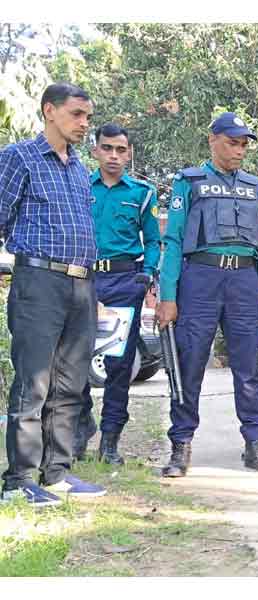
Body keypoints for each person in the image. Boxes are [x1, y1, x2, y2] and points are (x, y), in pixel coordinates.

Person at [156, 112, 258, 477]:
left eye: (243, 145)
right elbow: (173, 239)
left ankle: (255, 444)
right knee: (190, 361)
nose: (239, 151)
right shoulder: (189, 182)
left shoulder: (257, 188)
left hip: (244, 280)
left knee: (249, 366)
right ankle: (181, 445)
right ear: (212, 140)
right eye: (232, 143)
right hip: (200, 278)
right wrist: (168, 295)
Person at [0, 83, 105, 506]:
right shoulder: (19, 157)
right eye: (77, 114)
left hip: (82, 284)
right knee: (34, 381)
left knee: (71, 384)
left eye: (88, 117)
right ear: (49, 111)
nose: (84, 124)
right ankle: (19, 480)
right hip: (39, 281)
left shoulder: (79, 168)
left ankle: (57, 472)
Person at [73, 123, 161, 465]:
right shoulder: (79, 185)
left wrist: (146, 274)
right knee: (74, 360)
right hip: (83, 281)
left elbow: (153, 240)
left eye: (120, 150)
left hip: (125, 284)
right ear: (95, 150)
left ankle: (110, 440)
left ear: (129, 154)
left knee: (119, 366)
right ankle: (82, 426)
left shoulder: (142, 193)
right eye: (107, 148)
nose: (113, 155)